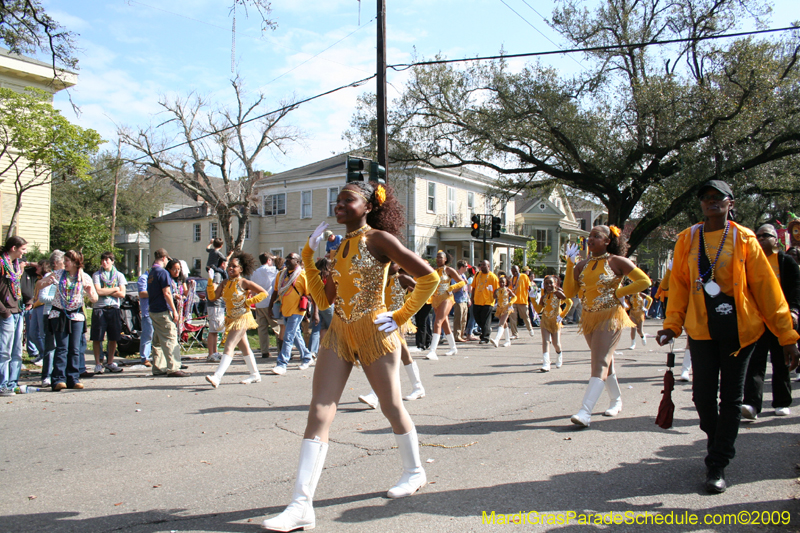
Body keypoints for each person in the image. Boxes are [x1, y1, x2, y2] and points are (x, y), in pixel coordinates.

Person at [261, 181, 439, 532]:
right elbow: (324, 300)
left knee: (391, 406)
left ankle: (414, 471)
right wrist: (309, 257)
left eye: (348, 199)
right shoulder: (339, 246)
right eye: (337, 200)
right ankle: (301, 505)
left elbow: (428, 278)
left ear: (369, 206)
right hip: (339, 333)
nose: (339, 204)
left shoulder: (379, 240)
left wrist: (400, 316)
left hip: (374, 332)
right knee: (319, 410)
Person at [656, 180, 799, 494]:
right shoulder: (687, 239)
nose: (711, 202)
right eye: (705, 197)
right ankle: (717, 439)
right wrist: (672, 325)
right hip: (702, 331)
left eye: (717, 197)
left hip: (740, 332)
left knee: (731, 399)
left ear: (730, 203)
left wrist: (787, 336)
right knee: (702, 397)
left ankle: (717, 463)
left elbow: (767, 289)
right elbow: (679, 285)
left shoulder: (744, 238)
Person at [563, 225, 651, 427]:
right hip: (589, 317)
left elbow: (644, 281)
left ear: (608, 241)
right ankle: (616, 400)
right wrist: (569, 264)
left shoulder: (616, 261)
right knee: (605, 361)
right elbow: (569, 292)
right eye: (589, 236)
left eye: (596, 236)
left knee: (600, 362)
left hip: (610, 315)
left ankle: (585, 412)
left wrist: (619, 293)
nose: (590, 239)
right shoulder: (582, 265)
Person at [740, 224, 800, 418]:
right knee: (755, 362)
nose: (760, 239)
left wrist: (794, 311)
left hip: (780, 319)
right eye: (757, 236)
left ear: (776, 239)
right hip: (757, 319)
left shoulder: (785, 261)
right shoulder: (750, 260)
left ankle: (782, 402)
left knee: (781, 361)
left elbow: (796, 288)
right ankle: (751, 404)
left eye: (765, 235)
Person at [359, 262, 427, 408]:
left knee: (386, 354)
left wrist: (408, 306)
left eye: (393, 262)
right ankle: (418, 387)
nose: (390, 265)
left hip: (397, 321)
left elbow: (423, 290)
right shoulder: (380, 278)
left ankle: (375, 395)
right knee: (403, 354)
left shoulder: (402, 279)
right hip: (382, 321)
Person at [205, 251, 266, 387]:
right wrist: (210, 281)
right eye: (229, 266)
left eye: (234, 266)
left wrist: (249, 302)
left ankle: (217, 376)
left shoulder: (244, 282)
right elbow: (212, 297)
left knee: (229, 345)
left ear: (241, 269)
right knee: (245, 347)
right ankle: (255, 374)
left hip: (242, 318)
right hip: (231, 319)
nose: (230, 268)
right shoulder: (225, 283)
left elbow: (264, 293)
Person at [42, 250, 98, 391]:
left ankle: (73, 378)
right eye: (64, 260)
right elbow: (39, 285)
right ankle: (58, 379)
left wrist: (89, 292)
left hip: (76, 315)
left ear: (75, 262)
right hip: (59, 314)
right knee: (62, 348)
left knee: (75, 348)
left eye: (67, 260)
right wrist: (44, 282)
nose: (64, 263)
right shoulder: (58, 274)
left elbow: (94, 299)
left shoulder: (84, 277)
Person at [147, 249, 190, 378]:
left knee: (158, 340)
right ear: (164, 258)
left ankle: (158, 366)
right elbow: (166, 293)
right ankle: (174, 367)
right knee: (170, 337)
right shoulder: (163, 272)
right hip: (162, 310)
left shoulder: (151, 273)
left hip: (153, 309)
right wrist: (174, 311)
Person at [267, 252, 313, 375]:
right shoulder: (281, 274)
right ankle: (307, 357)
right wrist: (270, 307)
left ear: (297, 261)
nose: (287, 260)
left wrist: (315, 313)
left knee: (288, 336)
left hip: (298, 310)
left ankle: (282, 364)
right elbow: (275, 291)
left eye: (290, 258)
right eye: (286, 258)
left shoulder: (302, 275)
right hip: (285, 309)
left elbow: (310, 294)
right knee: (295, 334)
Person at [0, 236, 29, 396]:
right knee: (4, 351)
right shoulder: (1, 264)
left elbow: (18, 285)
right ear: (13, 248)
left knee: (17, 351)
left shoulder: (16, 265)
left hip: (18, 310)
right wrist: (4, 311)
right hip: (6, 313)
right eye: (22, 249)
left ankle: (13, 383)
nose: (24, 252)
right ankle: (2, 384)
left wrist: (27, 300)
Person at [91, 252, 127, 374]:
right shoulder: (97, 275)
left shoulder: (119, 275)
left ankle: (110, 362)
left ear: (112, 261)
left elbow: (122, 293)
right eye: (103, 260)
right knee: (97, 337)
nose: (104, 262)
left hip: (114, 308)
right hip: (100, 308)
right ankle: (98, 363)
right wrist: (115, 289)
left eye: (107, 260)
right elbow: (98, 291)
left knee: (113, 337)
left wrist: (107, 290)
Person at [425, 251, 465, 360]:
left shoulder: (449, 270)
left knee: (437, 322)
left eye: (440, 257)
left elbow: (462, 282)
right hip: (436, 299)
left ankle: (432, 351)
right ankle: (453, 347)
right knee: (444, 323)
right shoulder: (434, 271)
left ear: (445, 259)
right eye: (437, 257)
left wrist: (452, 288)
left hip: (447, 298)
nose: (438, 259)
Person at [532, 275, 572, 371]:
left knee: (556, 343)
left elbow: (569, 303)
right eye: (546, 283)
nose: (548, 285)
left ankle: (559, 354)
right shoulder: (544, 297)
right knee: (545, 341)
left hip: (555, 322)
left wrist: (562, 315)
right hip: (545, 321)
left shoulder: (558, 293)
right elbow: (539, 310)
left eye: (551, 283)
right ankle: (546, 364)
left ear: (555, 283)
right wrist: (532, 299)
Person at [251, 252, 279, 358]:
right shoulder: (273, 270)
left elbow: (253, 288)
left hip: (259, 303)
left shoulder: (255, 272)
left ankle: (264, 351)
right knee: (276, 327)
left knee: (262, 329)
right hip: (270, 302)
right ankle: (280, 349)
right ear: (268, 260)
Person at [471, 260, 499, 344]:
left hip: (488, 302)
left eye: (484, 265)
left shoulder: (493, 277)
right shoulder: (477, 274)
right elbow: (474, 287)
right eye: (481, 265)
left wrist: (496, 299)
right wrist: (472, 298)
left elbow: (497, 289)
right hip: (477, 301)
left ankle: (485, 337)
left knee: (485, 319)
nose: (482, 266)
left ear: (488, 266)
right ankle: (487, 329)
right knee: (477, 318)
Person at [507, 265, 535, 338]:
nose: (515, 273)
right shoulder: (511, 279)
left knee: (525, 316)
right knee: (512, 317)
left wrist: (531, 290)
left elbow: (529, 287)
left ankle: (530, 329)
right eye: (513, 271)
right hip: (514, 301)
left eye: (516, 271)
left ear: (519, 270)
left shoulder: (524, 276)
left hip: (522, 301)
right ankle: (514, 334)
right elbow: (509, 289)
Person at [490, 275, 516, 348]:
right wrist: (490, 291)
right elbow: (493, 297)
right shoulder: (497, 290)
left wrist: (511, 302)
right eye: (500, 282)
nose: (502, 283)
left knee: (501, 324)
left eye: (503, 282)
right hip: (499, 308)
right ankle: (508, 341)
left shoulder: (508, 290)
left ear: (506, 283)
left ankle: (497, 340)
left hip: (506, 308)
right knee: (504, 324)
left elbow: (514, 297)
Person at [452, 260, 470, 342]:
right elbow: (454, 289)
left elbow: (466, 289)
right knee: (458, 319)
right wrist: (462, 284)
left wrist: (468, 299)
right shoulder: (456, 276)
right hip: (458, 300)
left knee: (464, 319)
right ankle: (457, 335)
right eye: (466, 266)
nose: (467, 268)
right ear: (462, 267)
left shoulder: (463, 275)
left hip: (464, 299)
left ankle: (462, 335)